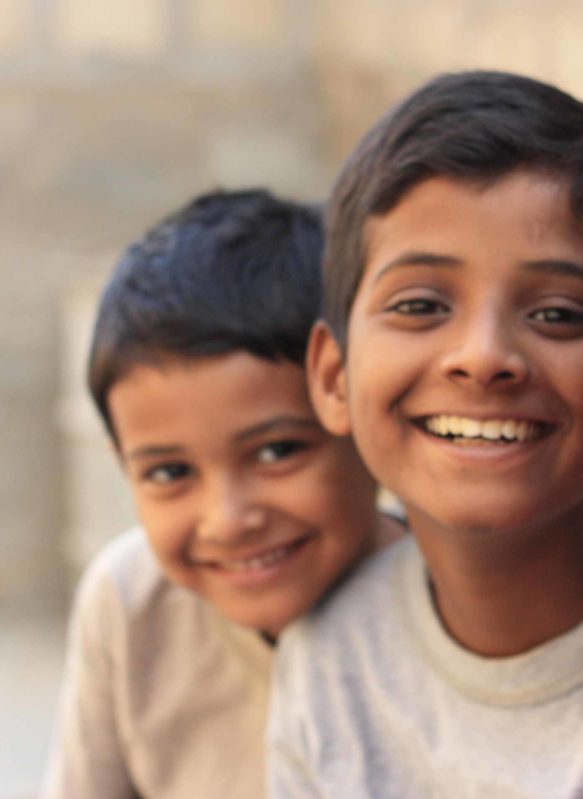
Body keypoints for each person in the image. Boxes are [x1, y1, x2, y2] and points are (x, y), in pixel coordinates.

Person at [268, 71, 583, 798]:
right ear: (333, 377)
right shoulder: (331, 653)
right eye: (420, 304)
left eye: (558, 314)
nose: (482, 356)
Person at [43, 189, 399, 799]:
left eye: (277, 451)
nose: (229, 520)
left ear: (360, 418)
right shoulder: (130, 602)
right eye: (168, 473)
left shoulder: (451, 600)